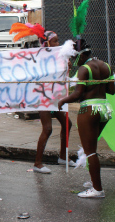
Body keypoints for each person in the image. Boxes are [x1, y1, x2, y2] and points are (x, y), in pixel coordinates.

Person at [58, 39, 114, 198]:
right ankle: (94, 181)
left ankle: (97, 190)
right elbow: (112, 91)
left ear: (80, 56)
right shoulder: (106, 66)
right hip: (104, 109)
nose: (75, 61)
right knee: (92, 148)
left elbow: (77, 95)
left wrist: (62, 100)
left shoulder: (84, 69)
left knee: (90, 152)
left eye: (75, 58)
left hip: (89, 110)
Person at [36, 31, 75, 173]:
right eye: (55, 41)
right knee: (47, 128)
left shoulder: (58, 57)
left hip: (55, 98)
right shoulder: (40, 57)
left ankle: (63, 157)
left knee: (67, 123)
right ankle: (37, 164)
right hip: (44, 98)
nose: (58, 44)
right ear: (47, 44)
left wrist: (67, 66)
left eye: (58, 41)